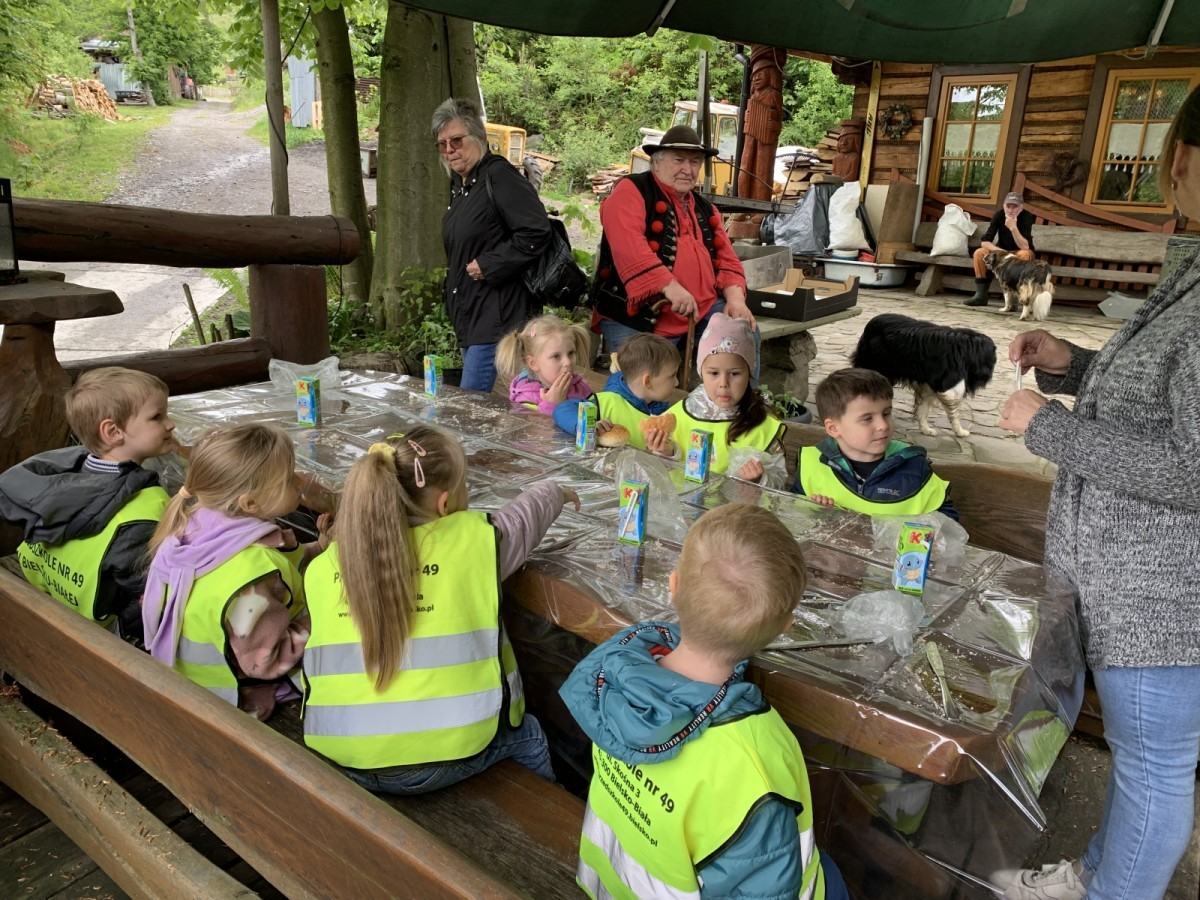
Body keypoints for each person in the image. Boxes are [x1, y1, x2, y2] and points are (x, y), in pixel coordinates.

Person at [994, 84, 1200, 900]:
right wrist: (1069, 363)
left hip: (1165, 598)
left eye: (1179, 160)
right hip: (1133, 583)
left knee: (1154, 768)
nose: (1173, 175)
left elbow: (1192, 467)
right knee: (1141, 760)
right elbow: (1158, 403)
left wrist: (1048, 427)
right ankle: (1098, 876)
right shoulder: (1194, 273)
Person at [560, 503, 848, 900]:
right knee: (834, 877)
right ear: (785, 627)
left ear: (674, 584)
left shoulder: (614, 677)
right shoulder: (756, 757)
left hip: (612, 882)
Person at [302, 426, 580, 794]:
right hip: (434, 758)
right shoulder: (475, 545)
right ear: (445, 505)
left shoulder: (326, 564)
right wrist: (555, 491)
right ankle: (549, 814)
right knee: (529, 735)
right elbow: (524, 520)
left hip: (344, 751)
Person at [142, 424, 327, 721]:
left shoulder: (197, 523)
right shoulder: (252, 577)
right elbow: (265, 662)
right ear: (250, 503)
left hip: (189, 678)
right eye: (288, 478)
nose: (300, 481)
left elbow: (277, 561)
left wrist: (318, 548)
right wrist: (324, 613)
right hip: (232, 699)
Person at [0, 367, 176, 646]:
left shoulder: (60, 476)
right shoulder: (147, 506)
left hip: (50, 596)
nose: (171, 424)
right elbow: (148, 590)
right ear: (113, 431)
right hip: (101, 629)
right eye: (157, 417)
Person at [590, 124, 758, 362]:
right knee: (645, 374)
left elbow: (727, 260)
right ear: (656, 162)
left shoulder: (705, 207)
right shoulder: (631, 190)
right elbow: (629, 247)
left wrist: (736, 300)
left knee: (743, 334)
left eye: (694, 162)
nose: (687, 170)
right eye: (679, 160)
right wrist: (671, 287)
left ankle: (738, 390)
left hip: (701, 312)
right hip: (638, 317)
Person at [432, 97, 553, 392]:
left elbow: (537, 231)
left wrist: (489, 264)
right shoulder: (463, 185)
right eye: (442, 144)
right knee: (484, 402)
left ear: (477, 137)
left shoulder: (499, 177)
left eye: (456, 141)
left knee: (471, 404)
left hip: (497, 316)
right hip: (473, 315)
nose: (449, 150)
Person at [795, 368, 959, 520]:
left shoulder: (914, 467)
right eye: (867, 418)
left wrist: (927, 531)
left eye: (886, 413)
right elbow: (793, 512)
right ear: (833, 428)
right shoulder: (812, 464)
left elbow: (947, 518)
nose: (883, 425)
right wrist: (812, 511)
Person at [653, 313, 786, 487]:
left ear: (749, 374)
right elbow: (661, 476)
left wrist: (759, 479)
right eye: (714, 373)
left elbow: (779, 482)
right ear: (701, 372)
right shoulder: (677, 417)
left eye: (734, 373)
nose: (724, 383)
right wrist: (667, 452)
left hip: (737, 505)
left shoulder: (763, 426)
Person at [552, 333, 680, 451]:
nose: (677, 383)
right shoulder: (605, 403)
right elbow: (562, 409)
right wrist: (587, 426)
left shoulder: (664, 414)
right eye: (672, 376)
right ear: (648, 381)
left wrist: (667, 451)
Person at [497, 313, 594, 415]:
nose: (568, 362)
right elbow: (530, 425)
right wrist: (551, 405)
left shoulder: (580, 386)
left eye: (571, 353)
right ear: (533, 363)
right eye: (556, 356)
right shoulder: (526, 398)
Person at [965, 191, 1036, 307]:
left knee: (1025, 254)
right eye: (1008, 206)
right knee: (979, 253)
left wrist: (1013, 228)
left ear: (1021, 207)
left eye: (1014, 207)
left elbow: (1025, 246)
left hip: (1019, 252)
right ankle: (980, 296)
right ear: (1004, 206)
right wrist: (1001, 252)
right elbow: (985, 241)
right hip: (1001, 252)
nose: (1010, 210)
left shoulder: (1027, 217)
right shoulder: (999, 215)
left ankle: (1014, 298)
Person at [739, 44, 787, 200]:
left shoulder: (773, 95)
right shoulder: (753, 97)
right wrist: (747, 118)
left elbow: (778, 120)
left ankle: (759, 206)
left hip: (766, 137)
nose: (756, 79)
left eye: (761, 74)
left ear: (771, 75)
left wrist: (774, 125)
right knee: (745, 167)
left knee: (762, 169)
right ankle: (743, 202)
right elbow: (747, 114)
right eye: (754, 76)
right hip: (751, 133)